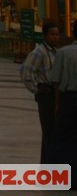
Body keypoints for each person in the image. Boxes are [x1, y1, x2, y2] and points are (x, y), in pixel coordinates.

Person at [21, 21, 59, 163]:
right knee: (49, 130)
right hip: (45, 94)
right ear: (45, 36)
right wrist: (36, 88)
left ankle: (47, 164)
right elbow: (26, 72)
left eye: (57, 34)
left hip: (55, 93)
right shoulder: (39, 52)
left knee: (52, 131)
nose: (55, 37)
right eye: (52, 34)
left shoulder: (56, 52)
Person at [47, 18, 77, 187]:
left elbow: (56, 81)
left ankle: (60, 177)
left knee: (62, 139)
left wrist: (57, 104)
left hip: (70, 98)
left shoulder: (64, 52)